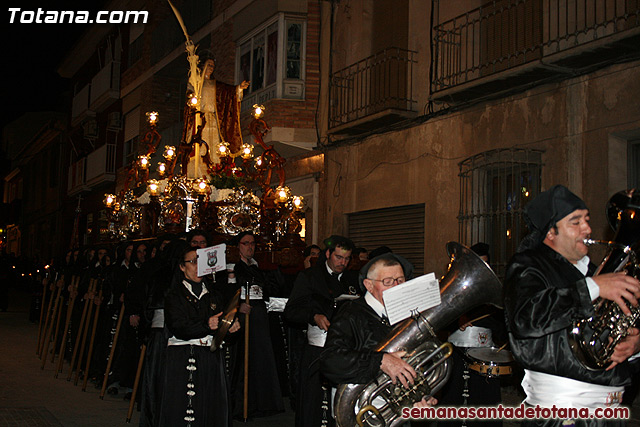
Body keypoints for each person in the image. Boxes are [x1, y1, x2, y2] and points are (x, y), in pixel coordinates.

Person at [504, 184, 640, 426]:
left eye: (586, 219)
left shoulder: (594, 272)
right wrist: (594, 288)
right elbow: (526, 318)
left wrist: (634, 346)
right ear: (551, 232)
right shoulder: (527, 265)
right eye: (575, 222)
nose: (587, 228)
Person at [320, 253, 436, 423]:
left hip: (397, 415)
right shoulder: (351, 312)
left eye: (400, 280)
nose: (396, 287)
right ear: (369, 285)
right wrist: (381, 361)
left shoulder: (410, 315)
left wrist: (422, 394)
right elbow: (330, 360)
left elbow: (422, 361)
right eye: (388, 282)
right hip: (360, 414)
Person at [160, 245, 240, 426]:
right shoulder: (174, 295)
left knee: (210, 406)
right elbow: (178, 326)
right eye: (192, 262)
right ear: (182, 267)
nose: (197, 266)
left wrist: (230, 329)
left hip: (210, 357)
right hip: (182, 357)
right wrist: (206, 325)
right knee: (184, 407)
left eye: (201, 262)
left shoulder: (214, 295)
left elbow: (221, 328)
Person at [284, 235, 359, 427]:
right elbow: (291, 312)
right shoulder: (309, 277)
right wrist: (314, 316)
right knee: (314, 404)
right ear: (328, 254)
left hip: (345, 349)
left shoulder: (353, 279)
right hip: (317, 348)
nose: (343, 263)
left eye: (347, 259)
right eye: (338, 257)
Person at [439, 242, 506, 427]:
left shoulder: (493, 295)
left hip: (484, 353)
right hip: (457, 355)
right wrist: (458, 319)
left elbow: (501, 327)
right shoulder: (454, 290)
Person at [225, 231, 284, 418]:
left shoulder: (258, 267)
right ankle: (242, 405)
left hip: (259, 315)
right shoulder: (233, 267)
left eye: (253, 243)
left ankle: (263, 402)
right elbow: (226, 290)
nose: (250, 247)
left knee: (262, 357)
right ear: (238, 246)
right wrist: (237, 305)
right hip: (243, 316)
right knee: (244, 358)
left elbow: (271, 288)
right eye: (246, 243)